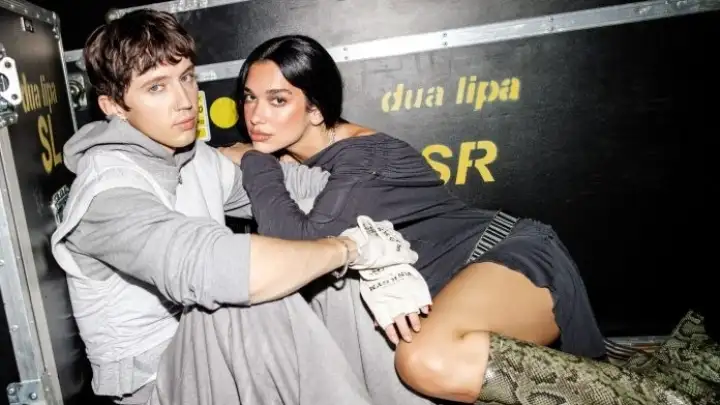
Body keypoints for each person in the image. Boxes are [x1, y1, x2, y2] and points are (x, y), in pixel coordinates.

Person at [219, 34, 719, 404]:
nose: (256, 115)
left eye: (278, 100)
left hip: (506, 254)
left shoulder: (365, 156)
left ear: (315, 109)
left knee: (425, 360)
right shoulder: (307, 154)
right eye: (249, 97)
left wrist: (257, 163)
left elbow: (296, 245)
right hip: (459, 281)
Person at [49, 11, 430, 405]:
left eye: (186, 77)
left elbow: (299, 189)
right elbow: (217, 268)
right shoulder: (106, 194)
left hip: (218, 362)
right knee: (245, 291)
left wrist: (372, 212)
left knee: (332, 276)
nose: (184, 102)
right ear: (114, 105)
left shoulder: (192, 157)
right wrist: (350, 247)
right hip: (156, 387)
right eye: (157, 87)